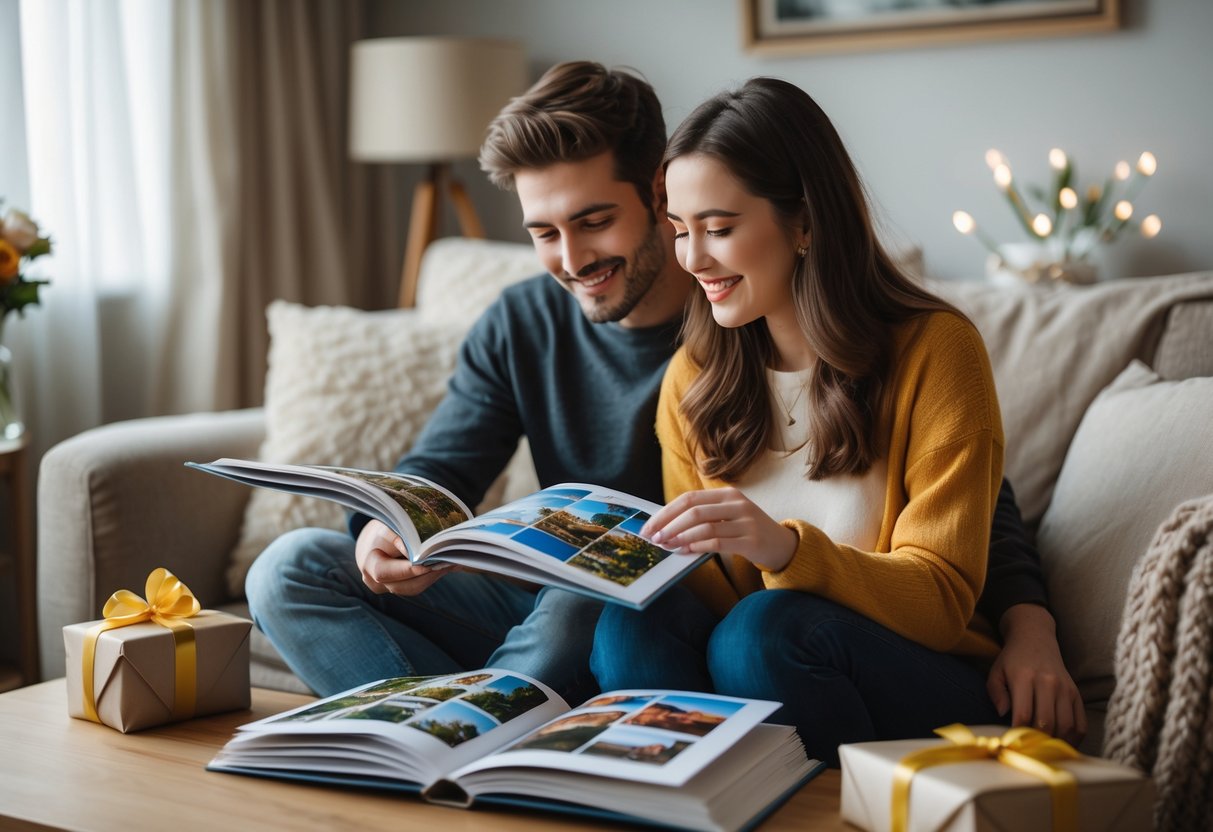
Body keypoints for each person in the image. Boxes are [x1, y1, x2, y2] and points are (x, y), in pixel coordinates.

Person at [245, 63, 1083, 741]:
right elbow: (443, 463)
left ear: (655, 193)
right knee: (292, 568)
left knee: (623, 600)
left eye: (594, 221)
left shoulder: (794, 315)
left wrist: (1028, 619)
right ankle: (447, 734)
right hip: (616, 605)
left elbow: (967, 506)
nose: (570, 258)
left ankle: (499, 725)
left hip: (729, 615)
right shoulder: (651, 350)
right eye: (542, 232)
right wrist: (388, 527)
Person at [589, 76, 1086, 766]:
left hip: (918, 674)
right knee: (627, 626)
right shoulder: (692, 379)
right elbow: (704, 593)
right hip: (764, 668)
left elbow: (941, 601)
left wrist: (788, 552)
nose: (692, 259)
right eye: (678, 230)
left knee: (764, 630)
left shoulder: (934, 351)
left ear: (804, 223)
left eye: (719, 228)